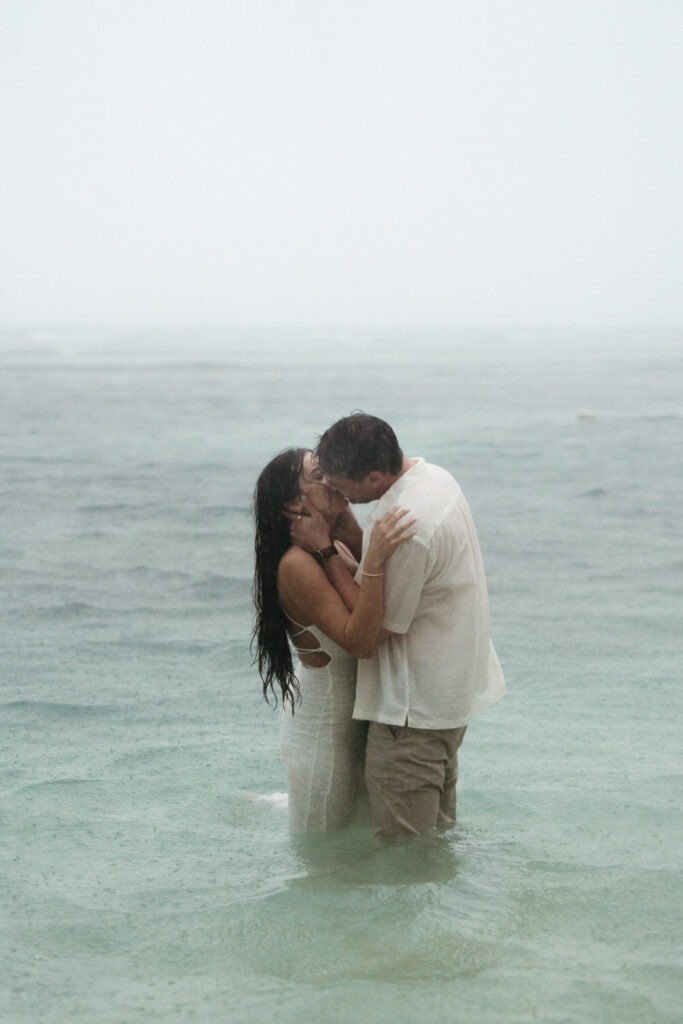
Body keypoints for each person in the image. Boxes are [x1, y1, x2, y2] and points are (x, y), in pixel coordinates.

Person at [312, 413, 506, 839]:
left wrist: (325, 552)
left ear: (374, 477)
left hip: (410, 713)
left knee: (403, 853)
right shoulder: (435, 478)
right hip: (447, 697)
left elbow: (373, 629)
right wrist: (352, 532)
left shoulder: (403, 527)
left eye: (339, 484)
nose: (329, 487)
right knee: (436, 836)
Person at [252, 447, 415, 833]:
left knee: (355, 839)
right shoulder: (298, 564)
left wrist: (346, 528)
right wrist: (363, 555)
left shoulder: (332, 544)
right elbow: (360, 642)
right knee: (321, 855)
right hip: (324, 730)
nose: (332, 478)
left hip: (349, 722)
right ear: (294, 504)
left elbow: (377, 600)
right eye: (318, 475)